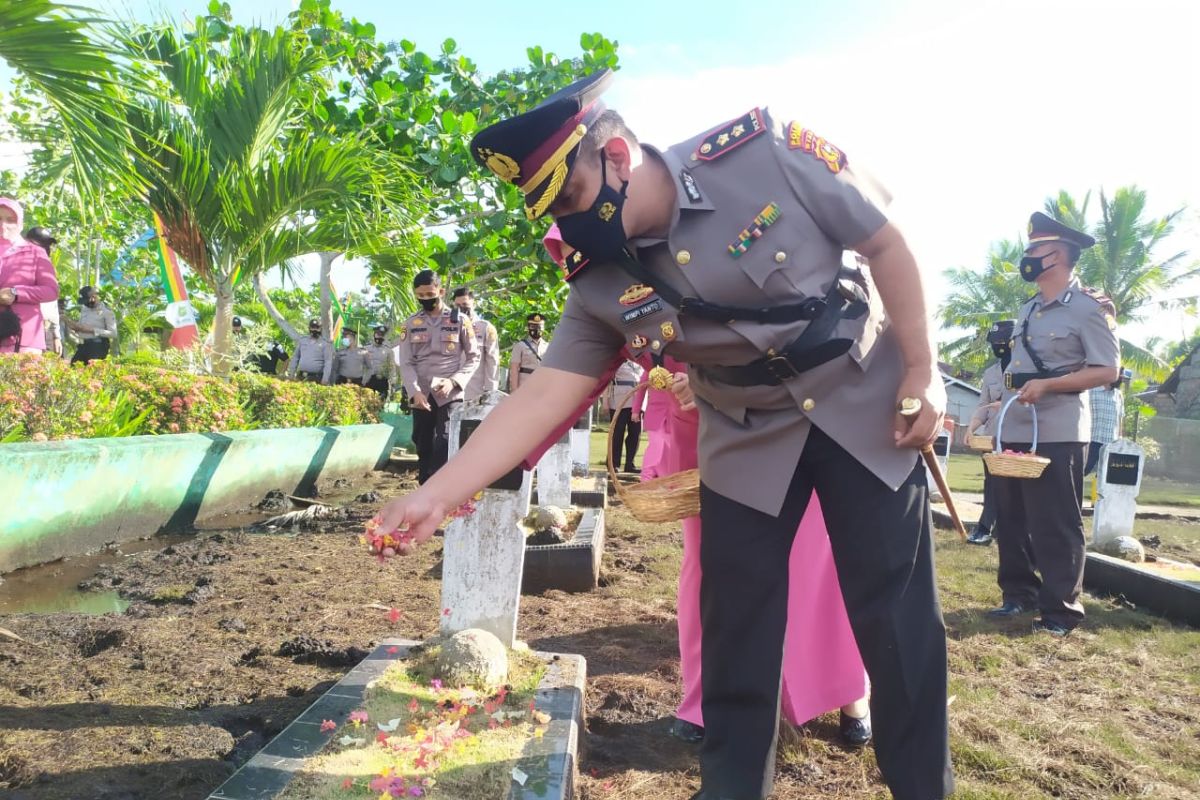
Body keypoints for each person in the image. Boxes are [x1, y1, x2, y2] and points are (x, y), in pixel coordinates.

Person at [375, 70, 953, 800]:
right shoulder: (596, 279)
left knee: (898, 627)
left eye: (574, 198)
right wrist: (434, 494)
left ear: (615, 154)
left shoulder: (764, 151)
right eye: (552, 212)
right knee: (737, 639)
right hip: (744, 441)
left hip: (861, 406)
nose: (569, 225)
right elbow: (547, 393)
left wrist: (924, 371)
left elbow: (886, 245)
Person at [542, 225, 873, 748]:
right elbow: (562, 387)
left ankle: (847, 689)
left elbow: (776, 327)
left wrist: (714, 382)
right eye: (568, 258)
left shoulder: (695, 256)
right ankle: (704, 696)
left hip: (781, 423)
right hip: (700, 438)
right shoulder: (600, 299)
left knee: (814, 557)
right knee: (708, 570)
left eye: (586, 250)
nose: (580, 268)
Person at [987, 212, 1121, 636]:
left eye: (1034, 250)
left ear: (1058, 255)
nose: (1027, 257)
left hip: (1060, 427)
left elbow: (1107, 370)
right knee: (1010, 517)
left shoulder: (1088, 309)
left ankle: (1061, 612)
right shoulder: (1028, 309)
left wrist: (1049, 386)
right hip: (1016, 424)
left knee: (1055, 522)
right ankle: (1018, 595)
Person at [395, 270, 481, 483]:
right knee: (422, 442)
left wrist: (454, 381)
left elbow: (473, 356)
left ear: (441, 291)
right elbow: (406, 362)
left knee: (444, 440)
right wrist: (414, 391)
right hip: (421, 392)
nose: (426, 299)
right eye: (420, 296)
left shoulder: (460, 321)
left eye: (430, 294)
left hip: (449, 392)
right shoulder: (410, 323)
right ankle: (424, 484)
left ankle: (437, 485)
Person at [965, 319, 1014, 545]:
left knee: (1012, 488)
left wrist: (1005, 404)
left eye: (1003, 341)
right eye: (995, 342)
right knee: (991, 484)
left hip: (1018, 438)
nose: (999, 346)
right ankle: (985, 528)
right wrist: (971, 428)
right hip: (992, 438)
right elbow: (983, 406)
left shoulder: (1027, 369)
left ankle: (997, 529)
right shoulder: (991, 373)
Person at [0, 198, 59, 354]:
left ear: (20, 223)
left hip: (23, 340)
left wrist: (16, 293)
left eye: (10, 220)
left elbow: (51, 290)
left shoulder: (35, 252)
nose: (3, 225)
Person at [453, 287, 499, 401]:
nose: (461, 308)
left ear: (474, 303)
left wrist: (490, 392)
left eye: (464, 304)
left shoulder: (486, 328)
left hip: (475, 393)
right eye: (457, 306)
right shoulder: (447, 328)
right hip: (451, 392)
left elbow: (493, 362)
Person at [605, 359, 644, 472]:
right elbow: (606, 380)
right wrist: (605, 401)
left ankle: (629, 464)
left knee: (635, 433)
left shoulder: (640, 362)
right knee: (617, 433)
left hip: (637, 402)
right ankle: (613, 464)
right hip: (619, 400)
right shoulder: (617, 360)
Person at [1085, 375, 1124, 476]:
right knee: (1082, 472)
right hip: (1092, 441)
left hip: (1111, 444)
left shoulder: (1118, 395)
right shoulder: (1090, 391)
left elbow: (1120, 419)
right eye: (1119, 374)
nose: (1121, 377)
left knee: (1106, 480)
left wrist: (1120, 441)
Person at [68, 286, 117, 364]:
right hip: (83, 345)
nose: (85, 304)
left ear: (94, 297)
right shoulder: (84, 309)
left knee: (93, 371)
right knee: (74, 366)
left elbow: (113, 334)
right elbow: (82, 325)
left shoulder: (106, 312)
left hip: (98, 346)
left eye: (87, 301)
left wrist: (93, 330)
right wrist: (75, 327)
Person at [508, 313, 547, 392]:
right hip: (525, 387)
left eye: (540, 327)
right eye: (533, 327)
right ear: (528, 328)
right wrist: (514, 391)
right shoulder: (520, 346)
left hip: (542, 387)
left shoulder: (548, 346)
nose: (537, 329)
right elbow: (514, 369)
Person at [288, 318, 334, 384]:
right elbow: (295, 357)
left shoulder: (325, 344)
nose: (314, 330)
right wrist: (291, 374)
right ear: (309, 328)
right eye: (312, 327)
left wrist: (325, 379)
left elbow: (328, 362)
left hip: (316, 378)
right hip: (301, 376)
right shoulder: (303, 340)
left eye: (317, 328)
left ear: (321, 329)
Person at [363, 325, 396, 398]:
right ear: (374, 335)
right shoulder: (365, 349)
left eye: (382, 335)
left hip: (382, 381)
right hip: (368, 381)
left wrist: (393, 382)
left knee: (380, 405)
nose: (379, 337)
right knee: (367, 404)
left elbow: (392, 368)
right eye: (378, 334)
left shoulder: (388, 351)